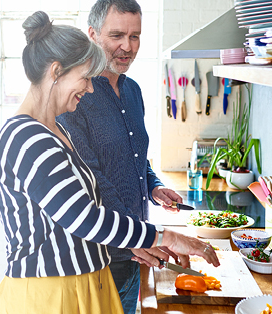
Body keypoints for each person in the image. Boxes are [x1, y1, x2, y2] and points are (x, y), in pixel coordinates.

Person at [0, 11, 218, 314]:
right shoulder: (27, 138)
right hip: (51, 295)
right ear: (56, 72)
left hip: (84, 284)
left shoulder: (53, 130)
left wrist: (138, 238)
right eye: (84, 78)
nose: (88, 87)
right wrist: (167, 237)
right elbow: (84, 218)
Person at [55, 1, 184, 312]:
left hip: (136, 251)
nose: (127, 46)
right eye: (116, 35)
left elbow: (135, 156)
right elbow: (92, 179)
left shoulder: (133, 91)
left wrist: (153, 186)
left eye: (135, 36)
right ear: (93, 35)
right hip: (98, 258)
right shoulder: (76, 96)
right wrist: (142, 237)